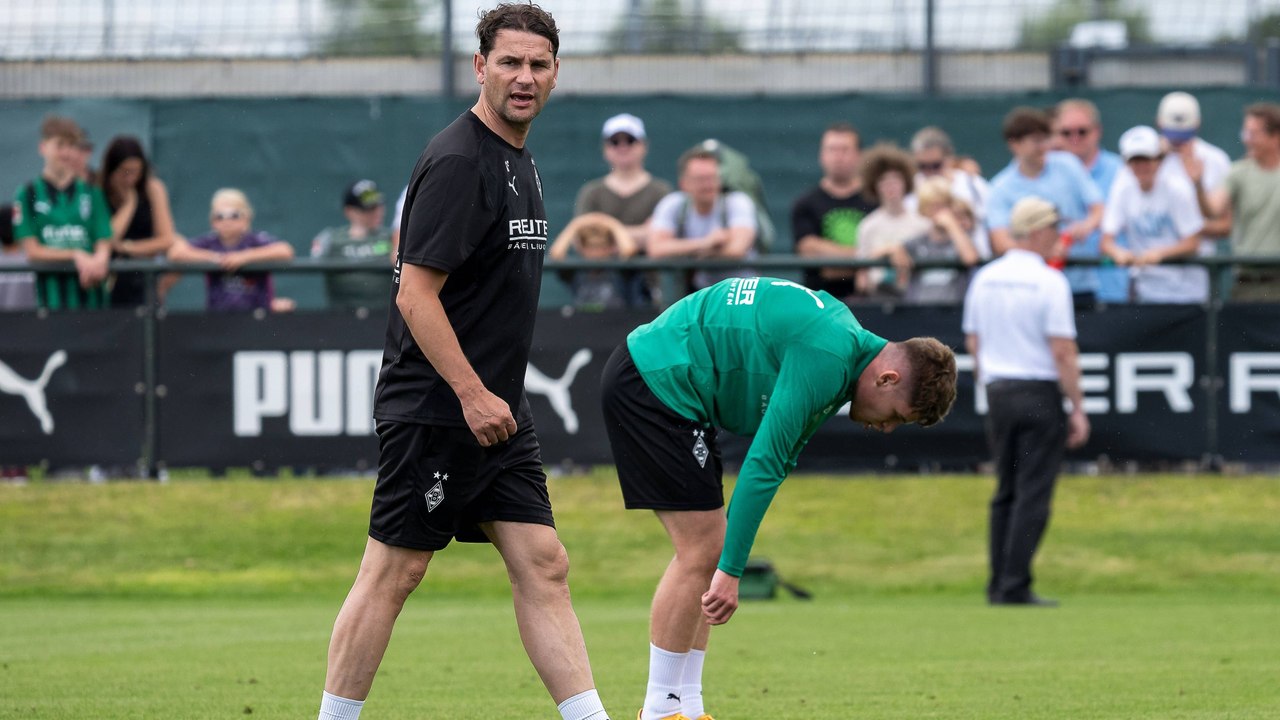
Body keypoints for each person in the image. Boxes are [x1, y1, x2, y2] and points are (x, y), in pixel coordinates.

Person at [318, 6, 614, 720]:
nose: (525, 77)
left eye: (538, 64)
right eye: (510, 62)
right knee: (394, 570)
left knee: (544, 564)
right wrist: (472, 394)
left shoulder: (519, 155)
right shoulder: (459, 159)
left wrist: (493, 400)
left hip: (499, 411)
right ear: (480, 67)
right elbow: (415, 294)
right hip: (440, 408)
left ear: (555, 73)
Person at [601, 276, 957, 720]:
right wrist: (731, 573)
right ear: (888, 378)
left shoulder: (842, 349)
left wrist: (728, 564)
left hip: (675, 387)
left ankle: (688, 708)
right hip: (654, 379)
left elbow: (779, 462)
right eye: (896, 417)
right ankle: (659, 711)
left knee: (709, 548)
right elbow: (763, 463)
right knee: (703, 550)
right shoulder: (828, 355)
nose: (886, 429)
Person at [963, 196, 1091, 607]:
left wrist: (989, 381)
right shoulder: (1050, 281)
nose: (1059, 235)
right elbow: (1063, 352)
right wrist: (1078, 406)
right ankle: (1014, 584)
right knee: (1033, 492)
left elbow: (974, 341)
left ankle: (998, 582)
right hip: (1037, 391)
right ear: (1036, 231)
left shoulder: (985, 277)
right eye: (1054, 227)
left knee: (1005, 489)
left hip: (999, 391)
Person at [987, 107, 1104, 309]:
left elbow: (1098, 209)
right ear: (1014, 144)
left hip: (1079, 286)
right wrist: (1045, 251)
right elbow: (1001, 242)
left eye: (1045, 139)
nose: (1043, 146)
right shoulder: (1000, 187)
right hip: (1029, 289)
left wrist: (1084, 226)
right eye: (1035, 140)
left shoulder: (1068, 165)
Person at [12, 115, 112, 311]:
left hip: (93, 305)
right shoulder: (27, 194)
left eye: (72, 145)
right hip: (49, 306)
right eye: (60, 145)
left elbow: (104, 243)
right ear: (43, 147)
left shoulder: (93, 193)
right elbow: (32, 251)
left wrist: (98, 262)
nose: (66, 153)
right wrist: (75, 255)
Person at [1099, 126, 1206, 304]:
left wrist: (1159, 254)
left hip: (1186, 294)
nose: (1141, 166)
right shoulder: (1122, 189)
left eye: (1147, 159)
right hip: (1145, 292)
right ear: (1127, 163)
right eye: (1135, 160)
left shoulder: (1177, 189)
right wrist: (1118, 253)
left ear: (1158, 160)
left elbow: (1193, 242)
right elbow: (1106, 241)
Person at [648, 147, 758, 297]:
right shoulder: (672, 204)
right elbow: (656, 249)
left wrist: (685, 251)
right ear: (684, 184)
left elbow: (737, 249)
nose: (708, 185)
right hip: (698, 294)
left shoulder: (738, 202)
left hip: (741, 293)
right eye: (700, 179)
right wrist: (707, 243)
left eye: (712, 178)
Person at [168, 188, 295, 312]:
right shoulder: (210, 241)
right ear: (212, 221)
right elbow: (175, 252)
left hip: (258, 316)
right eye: (219, 216)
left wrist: (244, 257)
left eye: (234, 215)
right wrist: (216, 257)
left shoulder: (255, 240)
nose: (226, 221)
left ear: (246, 218)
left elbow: (285, 250)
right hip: (219, 318)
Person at [790, 122, 878, 300]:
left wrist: (833, 260)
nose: (838, 157)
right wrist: (864, 260)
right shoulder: (805, 204)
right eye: (832, 149)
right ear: (821, 155)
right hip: (820, 303)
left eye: (845, 149)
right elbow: (809, 250)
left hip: (872, 302)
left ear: (859, 155)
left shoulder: (875, 201)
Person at [1052, 99, 1128, 303]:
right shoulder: (1045, 174)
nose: (1074, 138)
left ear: (1097, 131)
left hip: (1112, 288)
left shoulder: (1122, 171)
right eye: (1066, 133)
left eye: (1082, 131)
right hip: (1061, 290)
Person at [1204, 102, 1280, 302]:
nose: (1247, 140)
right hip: (1247, 286)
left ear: (1275, 137)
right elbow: (1212, 209)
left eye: (1254, 134)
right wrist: (1195, 185)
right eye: (1245, 133)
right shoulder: (1237, 172)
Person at [98, 135, 179, 307]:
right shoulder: (98, 191)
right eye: (124, 171)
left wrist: (128, 248)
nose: (130, 179)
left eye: (135, 172)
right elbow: (108, 237)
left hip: (141, 279)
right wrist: (129, 204)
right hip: (106, 279)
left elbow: (166, 239)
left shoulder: (153, 189)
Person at [575, 113, 672, 249]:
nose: (623, 147)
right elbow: (581, 240)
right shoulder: (592, 192)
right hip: (601, 270)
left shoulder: (660, 191)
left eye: (630, 140)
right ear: (605, 148)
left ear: (644, 146)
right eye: (615, 142)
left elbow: (664, 237)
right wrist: (642, 233)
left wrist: (604, 232)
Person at [855, 143, 931, 299]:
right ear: (875, 186)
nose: (891, 186)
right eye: (884, 181)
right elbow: (861, 275)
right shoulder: (868, 226)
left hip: (915, 298)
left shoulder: (923, 224)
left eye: (896, 180)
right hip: (878, 298)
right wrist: (888, 251)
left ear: (906, 183)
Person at [310, 179, 394, 312]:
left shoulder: (393, 237)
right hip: (343, 319)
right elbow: (313, 262)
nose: (377, 211)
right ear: (349, 211)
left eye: (379, 206)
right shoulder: (330, 238)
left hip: (385, 316)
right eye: (369, 208)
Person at [908, 126, 991, 258]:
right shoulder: (911, 189)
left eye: (936, 165)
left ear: (949, 158)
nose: (929, 172)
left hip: (972, 264)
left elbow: (988, 224)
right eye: (922, 166)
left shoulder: (973, 185)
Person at [899, 177, 980, 304]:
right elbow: (900, 274)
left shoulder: (961, 238)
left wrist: (952, 226)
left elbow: (970, 258)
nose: (938, 212)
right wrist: (893, 251)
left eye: (943, 205)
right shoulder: (916, 241)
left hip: (952, 311)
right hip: (920, 311)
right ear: (924, 210)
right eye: (932, 206)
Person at [548, 211, 643, 310]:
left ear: (611, 246)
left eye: (601, 246)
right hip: (583, 320)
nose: (596, 252)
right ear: (581, 248)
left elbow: (630, 250)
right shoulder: (576, 271)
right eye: (591, 247)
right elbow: (556, 254)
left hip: (619, 322)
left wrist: (612, 224)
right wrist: (576, 224)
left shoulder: (620, 270)